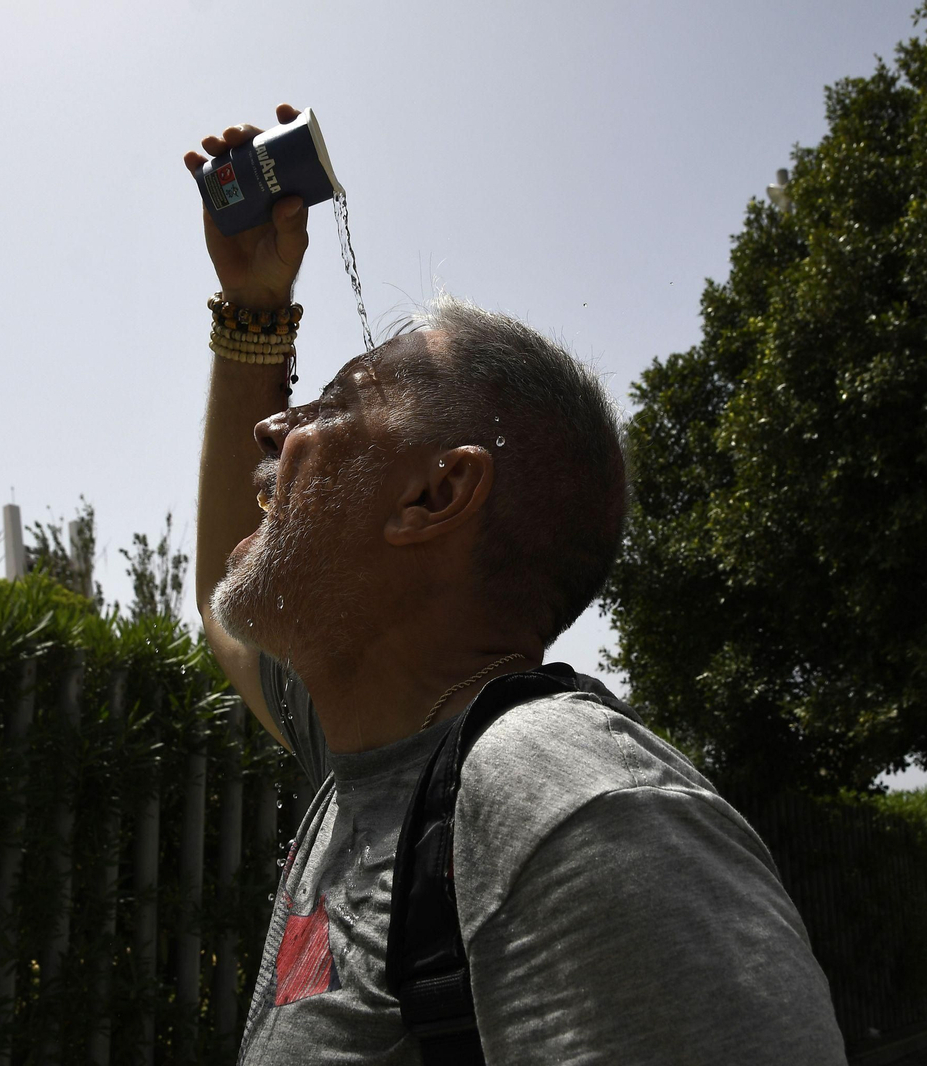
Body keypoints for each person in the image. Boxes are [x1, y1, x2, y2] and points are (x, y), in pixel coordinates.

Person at [188, 104, 847, 1065]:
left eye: (328, 404)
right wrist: (253, 316)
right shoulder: (377, 754)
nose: (270, 432)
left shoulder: (570, 802)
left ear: (436, 492)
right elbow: (227, 582)